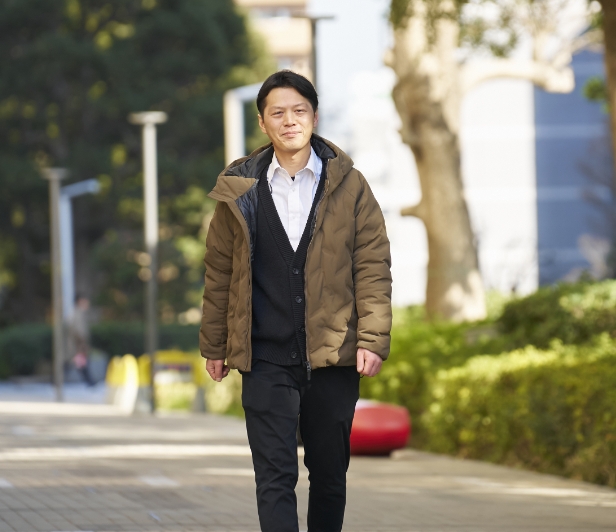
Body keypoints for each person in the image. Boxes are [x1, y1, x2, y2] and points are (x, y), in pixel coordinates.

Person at [200, 70, 392, 532]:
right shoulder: (239, 188)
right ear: (263, 123)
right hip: (265, 356)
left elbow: (372, 265)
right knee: (274, 477)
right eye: (278, 113)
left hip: (333, 356)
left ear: (314, 116)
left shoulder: (351, 186)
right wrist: (215, 344)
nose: (290, 121)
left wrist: (372, 338)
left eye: (299, 110)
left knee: (329, 478)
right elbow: (220, 271)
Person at [67, 295, 96, 386]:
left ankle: (90, 381)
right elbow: (79, 331)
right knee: (79, 363)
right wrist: (82, 343)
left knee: (79, 363)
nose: (87, 304)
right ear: (80, 301)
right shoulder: (78, 314)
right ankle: (90, 382)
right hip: (78, 345)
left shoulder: (76, 313)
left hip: (77, 345)